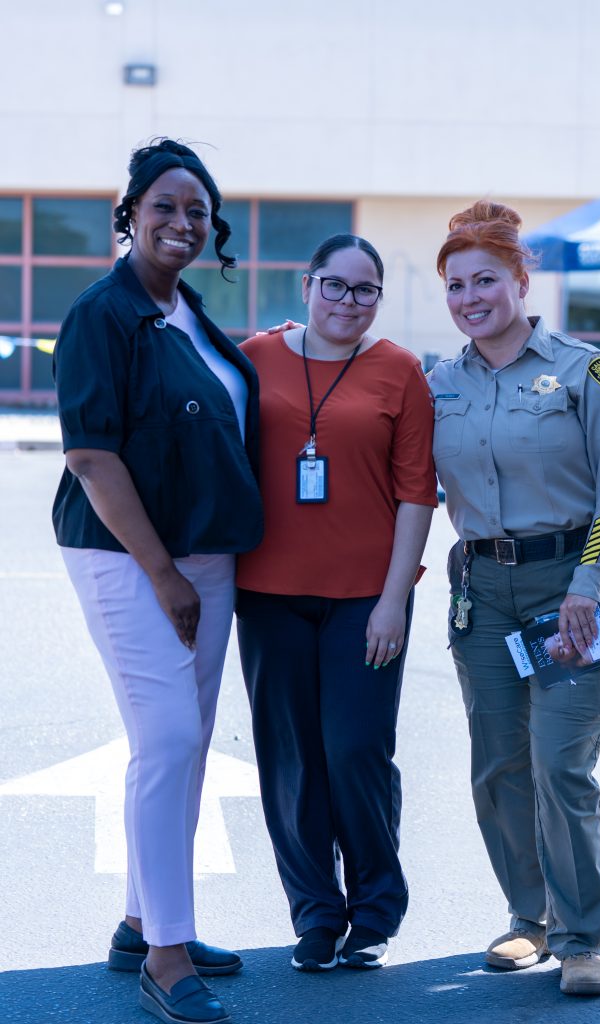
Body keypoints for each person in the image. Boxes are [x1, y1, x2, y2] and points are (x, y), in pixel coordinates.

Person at [52, 139, 263, 1024]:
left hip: (208, 558)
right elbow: (93, 458)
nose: (183, 222)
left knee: (184, 744)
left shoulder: (188, 315)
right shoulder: (102, 314)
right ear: (130, 213)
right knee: (170, 737)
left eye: (198, 211)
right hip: (131, 556)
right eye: (166, 206)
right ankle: (165, 959)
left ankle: (145, 922)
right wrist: (164, 573)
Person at [429, 201, 600, 997]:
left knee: (560, 764)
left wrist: (589, 586)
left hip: (570, 586)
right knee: (498, 766)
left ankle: (582, 936)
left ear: (521, 280)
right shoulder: (436, 382)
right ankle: (529, 920)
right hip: (481, 591)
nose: (469, 296)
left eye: (485, 279)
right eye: (454, 284)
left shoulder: (590, 373)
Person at [235, 233, 437, 972]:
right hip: (266, 594)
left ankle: (375, 911)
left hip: (366, 599)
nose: (347, 302)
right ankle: (315, 914)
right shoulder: (254, 357)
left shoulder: (400, 371)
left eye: (364, 290)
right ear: (306, 284)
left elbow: (417, 491)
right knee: (290, 759)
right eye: (335, 285)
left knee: (356, 751)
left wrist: (394, 598)